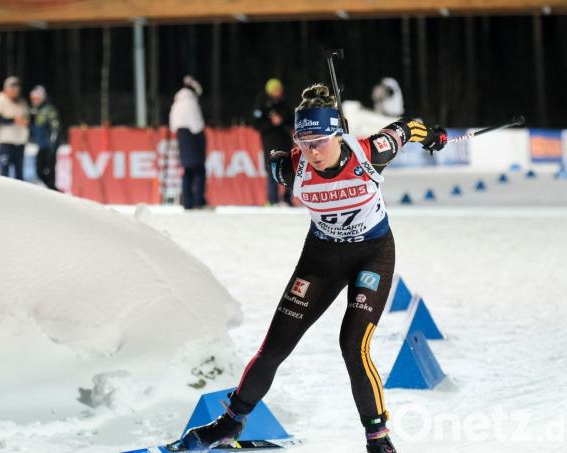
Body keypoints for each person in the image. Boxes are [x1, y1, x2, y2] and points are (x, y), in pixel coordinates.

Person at [174, 84, 447, 453]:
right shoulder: (288, 166)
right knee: (274, 347)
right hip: (321, 258)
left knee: (353, 345)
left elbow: (408, 126)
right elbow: (274, 155)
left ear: (339, 134)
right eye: (305, 143)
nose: (313, 152)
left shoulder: (372, 151)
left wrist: (433, 136)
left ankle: (378, 440)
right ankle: (230, 424)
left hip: (372, 256)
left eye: (320, 141)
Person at [253, 78, 294, 206]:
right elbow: (256, 124)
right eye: (276, 89)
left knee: (288, 168)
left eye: (280, 89)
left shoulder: (285, 104)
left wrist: (282, 122)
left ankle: (288, 199)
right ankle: (272, 199)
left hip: (285, 140)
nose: (279, 92)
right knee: (272, 168)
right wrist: (271, 123)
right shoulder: (262, 104)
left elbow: (292, 121)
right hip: (270, 141)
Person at [169, 75, 207, 210]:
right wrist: (202, 145)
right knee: (199, 171)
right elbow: (197, 125)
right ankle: (199, 200)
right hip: (193, 139)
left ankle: (187, 202)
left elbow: (172, 125)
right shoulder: (191, 103)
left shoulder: (177, 103)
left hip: (182, 138)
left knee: (187, 172)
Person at [0, 76, 30, 180]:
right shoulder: (0, 100)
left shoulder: (22, 102)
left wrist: (26, 122)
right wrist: (14, 120)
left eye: (17, 88)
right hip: (6, 142)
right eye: (13, 88)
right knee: (5, 173)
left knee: (19, 173)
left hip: (20, 142)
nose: (16, 90)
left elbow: (27, 117)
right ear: (7, 89)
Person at [28, 85, 60, 189]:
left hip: (49, 146)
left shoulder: (49, 110)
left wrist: (52, 146)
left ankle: (53, 191)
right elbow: (37, 129)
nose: (34, 101)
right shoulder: (36, 111)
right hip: (41, 146)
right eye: (33, 99)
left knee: (49, 171)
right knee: (39, 171)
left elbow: (55, 128)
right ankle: (52, 190)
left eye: (36, 98)